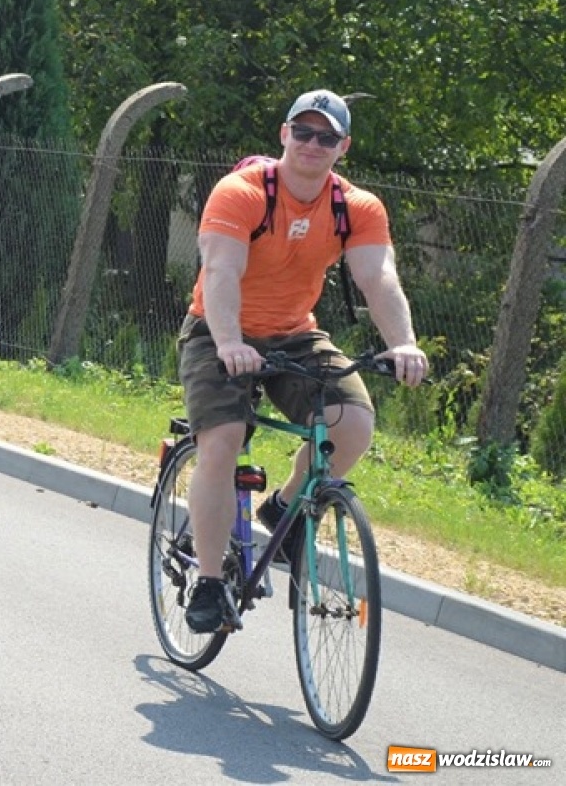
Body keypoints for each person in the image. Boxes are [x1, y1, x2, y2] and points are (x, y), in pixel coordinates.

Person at [178, 89, 428, 634]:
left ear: (344, 147)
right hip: (218, 330)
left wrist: (403, 343)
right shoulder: (242, 192)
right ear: (284, 134)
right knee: (223, 439)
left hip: (294, 334)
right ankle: (210, 581)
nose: (314, 144)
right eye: (304, 132)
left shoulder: (356, 207)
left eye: (327, 137)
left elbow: (378, 277)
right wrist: (229, 343)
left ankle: (285, 509)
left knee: (352, 424)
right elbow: (220, 271)